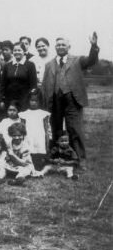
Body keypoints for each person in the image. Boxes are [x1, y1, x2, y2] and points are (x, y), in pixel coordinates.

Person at [41, 32, 99, 170]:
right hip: (55, 100)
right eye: (58, 44)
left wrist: (94, 46)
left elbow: (91, 60)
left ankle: (80, 159)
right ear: (55, 47)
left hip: (72, 98)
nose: (61, 46)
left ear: (69, 46)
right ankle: (55, 157)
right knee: (55, 129)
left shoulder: (77, 60)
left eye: (63, 44)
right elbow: (45, 84)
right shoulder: (49, 64)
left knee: (75, 129)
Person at [0, 42, 37, 112]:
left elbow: (33, 85)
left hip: (24, 99)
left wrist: (31, 100)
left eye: (19, 50)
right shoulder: (7, 66)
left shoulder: (30, 65)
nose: (17, 52)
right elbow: (3, 85)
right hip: (9, 99)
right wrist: (2, 100)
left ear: (24, 51)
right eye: (15, 50)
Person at [19, 89, 50, 170]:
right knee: (29, 150)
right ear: (28, 101)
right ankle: (29, 164)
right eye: (32, 100)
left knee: (38, 151)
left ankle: (38, 164)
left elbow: (47, 128)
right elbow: (21, 127)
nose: (33, 103)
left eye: (36, 101)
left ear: (40, 102)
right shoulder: (24, 114)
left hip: (39, 136)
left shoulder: (43, 114)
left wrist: (47, 139)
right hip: (29, 135)